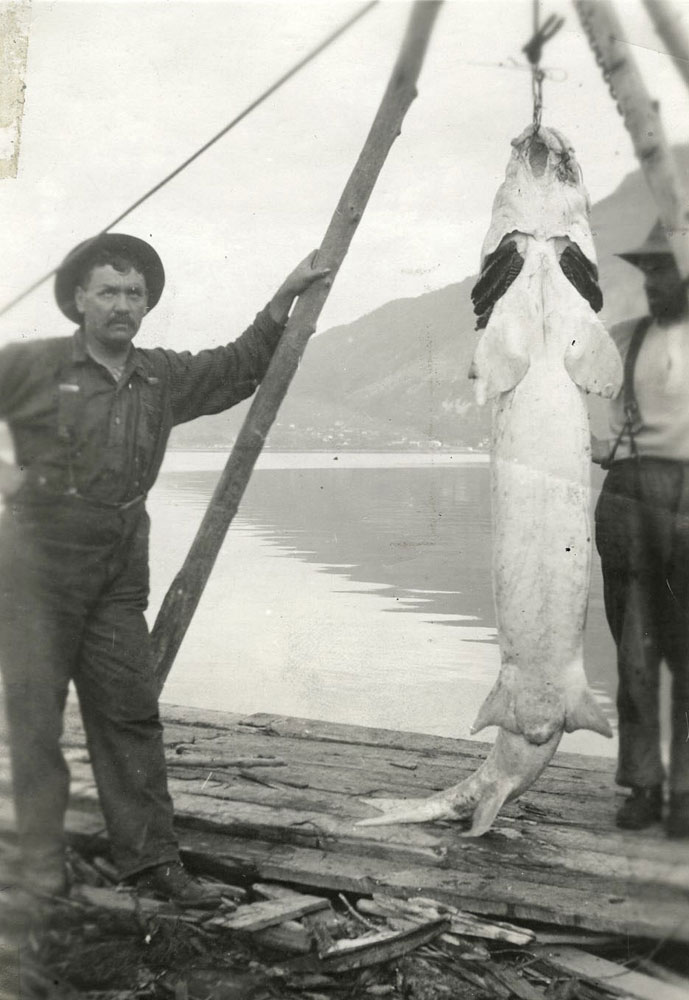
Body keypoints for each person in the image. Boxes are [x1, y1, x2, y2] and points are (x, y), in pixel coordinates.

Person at [0, 232, 329, 903]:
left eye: (135, 294)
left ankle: (152, 866)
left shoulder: (160, 377)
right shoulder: (29, 364)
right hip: (35, 570)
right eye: (109, 292)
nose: (123, 304)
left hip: (119, 572)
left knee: (130, 712)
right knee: (34, 720)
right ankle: (37, 863)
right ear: (78, 301)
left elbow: (238, 366)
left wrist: (280, 301)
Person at [593, 220, 689, 837]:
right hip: (628, 508)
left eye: (668, 270)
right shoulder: (620, 340)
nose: (656, 282)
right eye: (650, 271)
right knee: (633, 659)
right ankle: (643, 787)